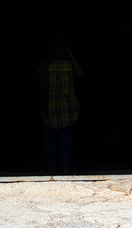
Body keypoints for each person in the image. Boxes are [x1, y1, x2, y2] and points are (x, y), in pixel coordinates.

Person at [37, 38, 82, 175]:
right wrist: (71, 56)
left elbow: (38, 74)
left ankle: (50, 168)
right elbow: (79, 72)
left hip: (50, 110)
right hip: (68, 110)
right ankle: (65, 168)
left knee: (50, 141)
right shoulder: (69, 66)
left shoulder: (45, 67)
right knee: (66, 140)